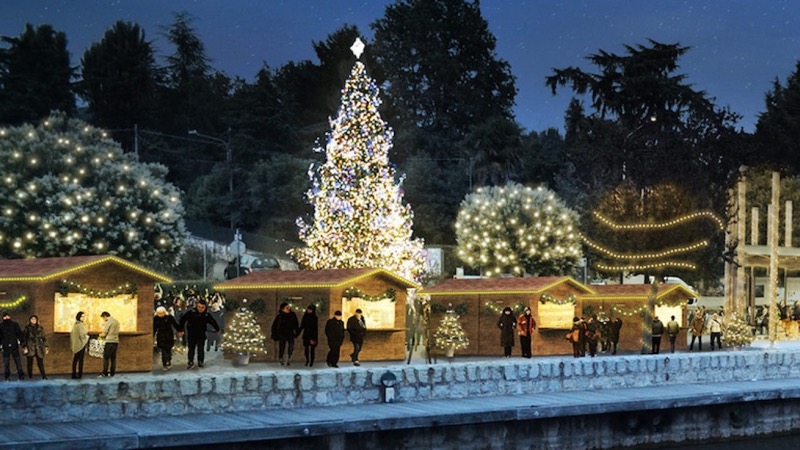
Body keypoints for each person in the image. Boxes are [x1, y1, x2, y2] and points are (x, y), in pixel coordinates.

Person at [178, 299, 220, 369]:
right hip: (191, 334)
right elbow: (183, 320)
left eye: (202, 307)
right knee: (191, 349)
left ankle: (200, 361)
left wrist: (217, 329)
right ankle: (190, 361)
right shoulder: (191, 312)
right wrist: (180, 330)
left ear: (205, 307)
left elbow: (212, 322)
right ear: (197, 306)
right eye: (199, 307)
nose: (200, 309)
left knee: (200, 349)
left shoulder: (206, 315)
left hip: (201, 334)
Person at [0, 311, 25, 381]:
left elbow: (19, 334)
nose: (6, 317)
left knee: (17, 362)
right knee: (7, 363)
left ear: (9, 317)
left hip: (13, 346)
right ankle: (7, 377)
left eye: (7, 316)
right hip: (6, 346)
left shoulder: (14, 324)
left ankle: (20, 376)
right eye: (5, 316)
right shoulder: (2, 326)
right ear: (3, 317)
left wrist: (22, 343)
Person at [153, 306, 180, 371]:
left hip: (167, 335)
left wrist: (179, 330)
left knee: (167, 349)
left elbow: (175, 324)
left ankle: (167, 361)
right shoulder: (157, 318)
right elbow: (154, 328)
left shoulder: (168, 317)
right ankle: (165, 362)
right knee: (164, 349)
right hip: (163, 335)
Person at [22, 315, 48, 380]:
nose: (33, 320)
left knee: (40, 362)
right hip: (30, 346)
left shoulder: (40, 328)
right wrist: (24, 346)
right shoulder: (27, 328)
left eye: (34, 319)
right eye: (32, 319)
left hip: (38, 346)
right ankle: (30, 375)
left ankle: (44, 375)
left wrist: (46, 346)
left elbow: (44, 337)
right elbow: (24, 338)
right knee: (30, 362)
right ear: (30, 320)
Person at [99, 311, 120, 377]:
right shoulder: (116, 322)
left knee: (106, 358)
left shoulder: (108, 322)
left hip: (109, 342)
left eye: (103, 318)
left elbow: (104, 333)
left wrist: (100, 335)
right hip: (115, 342)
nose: (103, 320)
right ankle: (112, 373)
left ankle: (105, 373)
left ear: (105, 316)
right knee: (113, 358)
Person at [70, 311, 89, 379]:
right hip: (81, 345)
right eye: (82, 316)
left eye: (84, 316)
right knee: (80, 360)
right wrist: (87, 337)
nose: (83, 318)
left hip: (76, 345)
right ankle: (80, 374)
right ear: (79, 317)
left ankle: (74, 373)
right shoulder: (80, 325)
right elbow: (83, 335)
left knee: (75, 360)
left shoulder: (75, 324)